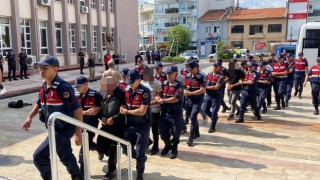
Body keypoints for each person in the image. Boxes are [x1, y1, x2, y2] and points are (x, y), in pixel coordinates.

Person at [21, 55, 84, 180]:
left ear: (55, 69)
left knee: (39, 156)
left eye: (45, 68)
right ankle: (78, 177)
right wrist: (29, 118)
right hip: (54, 127)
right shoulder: (44, 85)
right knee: (65, 155)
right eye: (40, 68)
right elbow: (39, 102)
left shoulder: (62, 87)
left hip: (64, 129)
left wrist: (78, 133)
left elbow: (77, 109)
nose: (41, 70)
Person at [119, 69, 151, 180]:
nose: (130, 84)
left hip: (142, 126)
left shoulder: (145, 92)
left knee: (140, 152)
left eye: (132, 81)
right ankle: (140, 158)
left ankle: (139, 174)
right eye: (129, 81)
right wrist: (122, 107)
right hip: (130, 125)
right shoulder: (127, 90)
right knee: (124, 146)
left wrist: (127, 112)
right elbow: (124, 103)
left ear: (139, 80)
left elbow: (142, 111)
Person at [97, 76, 126, 180]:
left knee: (113, 149)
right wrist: (101, 117)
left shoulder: (121, 93)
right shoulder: (101, 93)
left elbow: (123, 109)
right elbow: (98, 108)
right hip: (105, 125)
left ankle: (111, 170)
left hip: (117, 126)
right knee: (100, 143)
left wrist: (114, 118)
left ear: (114, 85)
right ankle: (100, 152)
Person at [73, 76, 102, 175]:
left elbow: (102, 106)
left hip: (91, 123)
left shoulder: (95, 94)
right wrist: (85, 112)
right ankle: (99, 148)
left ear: (86, 85)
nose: (77, 88)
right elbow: (71, 110)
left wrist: (97, 109)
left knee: (85, 144)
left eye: (79, 86)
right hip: (79, 122)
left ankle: (82, 171)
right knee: (85, 143)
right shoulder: (75, 95)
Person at [155, 65, 183, 159]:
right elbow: (158, 94)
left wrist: (163, 101)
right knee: (162, 132)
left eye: (171, 73)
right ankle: (167, 145)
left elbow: (175, 99)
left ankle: (174, 148)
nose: (168, 75)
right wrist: (157, 98)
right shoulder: (164, 83)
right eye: (167, 73)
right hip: (164, 112)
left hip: (175, 113)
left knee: (176, 132)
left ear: (176, 74)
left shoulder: (179, 85)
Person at [141, 68, 162, 155]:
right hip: (145, 110)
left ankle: (156, 147)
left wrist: (148, 104)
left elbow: (159, 98)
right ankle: (148, 142)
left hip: (155, 110)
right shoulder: (142, 83)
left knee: (154, 129)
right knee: (144, 128)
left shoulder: (158, 83)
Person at [184, 60, 206, 146]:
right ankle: (197, 132)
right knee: (190, 116)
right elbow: (185, 87)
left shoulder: (201, 77)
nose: (189, 70)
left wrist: (191, 93)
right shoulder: (187, 76)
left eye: (191, 68)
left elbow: (202, 90)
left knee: (193, 116)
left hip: (198, 99)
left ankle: (191, 137)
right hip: (189, 99)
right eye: (188, 68)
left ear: (196, 68)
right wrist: (185, 91)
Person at [203, 61, 224, 133]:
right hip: (208, 95)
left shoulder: (220, 76)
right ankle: (214, 118)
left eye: (216, 66)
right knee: (205, 109)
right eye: (214, 66)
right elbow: (204, 83)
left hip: (216, 95)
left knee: (214, 111)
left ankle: (213, 126)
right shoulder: (208, 74)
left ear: (219, 67)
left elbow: (216, 87)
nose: (214, 67)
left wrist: (206, 87)